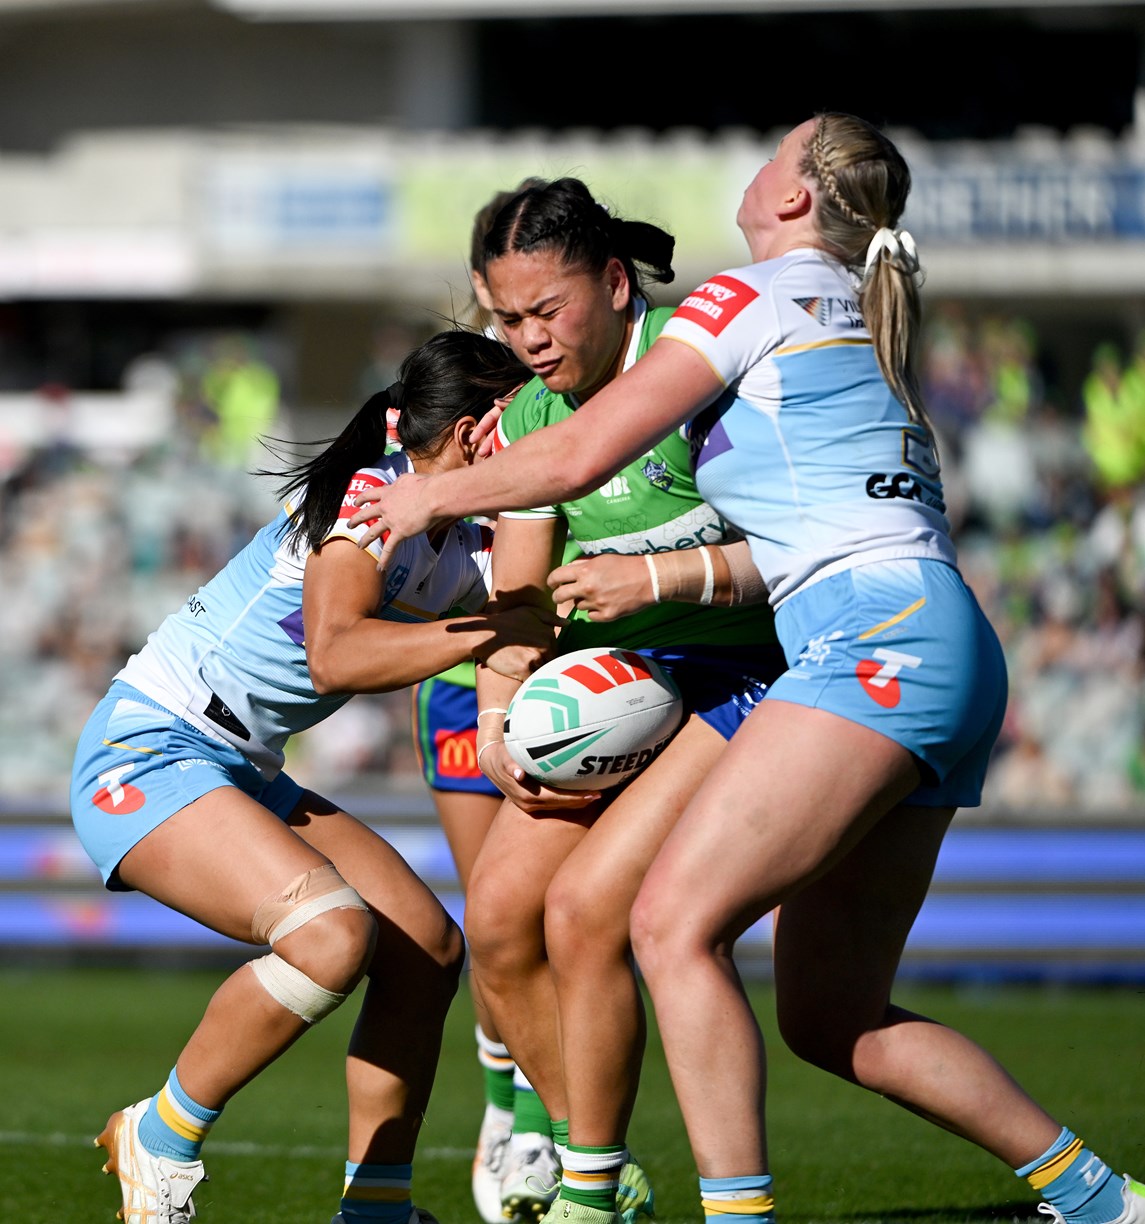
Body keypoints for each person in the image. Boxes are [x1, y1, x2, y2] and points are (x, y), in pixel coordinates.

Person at [346, 115, 1145, 1224]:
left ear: (791, 197)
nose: (757, 155)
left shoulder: (742, 299)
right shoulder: (849, 308)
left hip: (865, 644)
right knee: (828, 1016)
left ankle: (713, 1212)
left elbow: (578, 454)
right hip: (933, 634)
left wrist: (421, 494)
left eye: (779, 148)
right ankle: (1104, 1201)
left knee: (667, 926)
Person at [70, 329, 561, 1224]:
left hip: (238, 766)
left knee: (426, 950)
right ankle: (162, 1134)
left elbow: (524, 618)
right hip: (148, 750)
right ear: (477, 433)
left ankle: (375, 1210)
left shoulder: (467, 538)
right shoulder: (371, 499)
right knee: (331, 938)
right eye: (524, 414)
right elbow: (336, 656)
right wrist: (499, 632)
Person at [367, 175, 786, 1224]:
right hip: (627, 691)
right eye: (504, 317)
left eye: (544, 312)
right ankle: (591, 1163)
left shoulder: (702, 369)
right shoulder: (530, 415)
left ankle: (588, 1197)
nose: (526, 339)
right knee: (500, 921)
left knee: (584, 910)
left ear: (610, 282)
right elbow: (517, 600)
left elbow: (799, 555)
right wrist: (502, 717)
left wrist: (654, 581)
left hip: (747, 680)